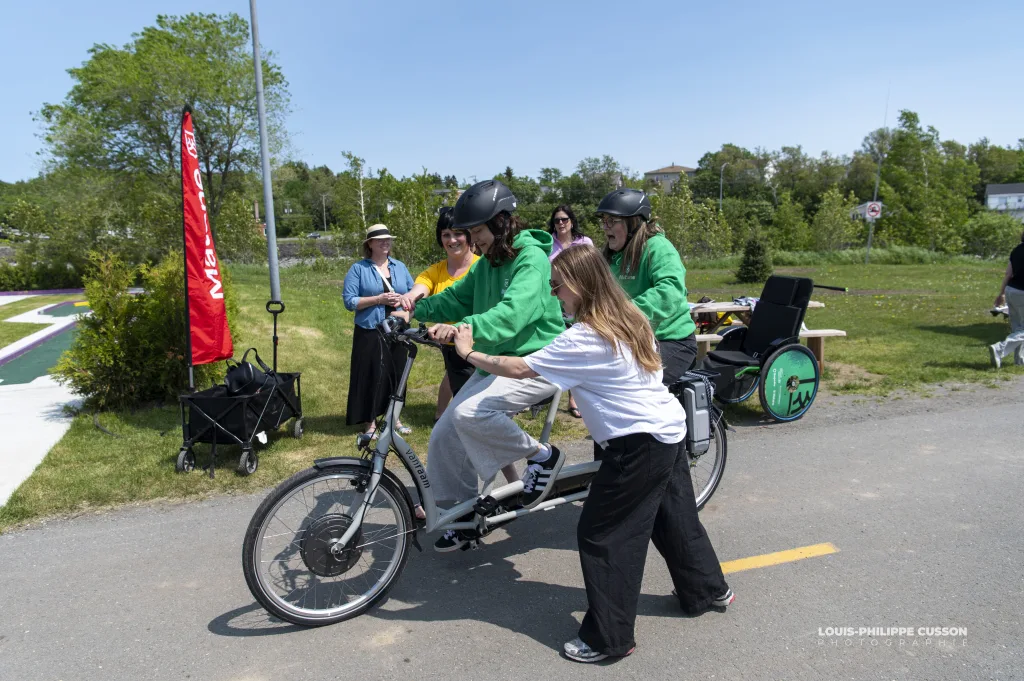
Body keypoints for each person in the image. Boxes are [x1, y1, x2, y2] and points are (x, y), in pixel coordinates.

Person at [451, 244, 733, 663]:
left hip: (639, 444)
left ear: (580, 285)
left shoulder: (586, 337)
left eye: (557, 286)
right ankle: (708, 591)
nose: (553, 295)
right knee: (674, 518)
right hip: (667, 430)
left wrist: (467, 351)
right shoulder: (629, 317)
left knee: (603, 535)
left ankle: (609, 639)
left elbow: (520, 368)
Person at [399, 179, 566, 552]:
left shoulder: (531, 258)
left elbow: (513, 315)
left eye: (477, 231)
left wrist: (464, 329)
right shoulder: (489, 261)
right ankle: (462, 515)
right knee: (444, 433)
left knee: (470, 413)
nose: (473, 241)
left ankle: (543, 456)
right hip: (497, 363)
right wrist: (412, 309)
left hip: (535, 362)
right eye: (469, 232)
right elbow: (458, 297)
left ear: (502, 222)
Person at [597, 188, 698, 384]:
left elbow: (670, 291)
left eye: (611, 221)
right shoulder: (612, 256)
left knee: (635, 383)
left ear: (633, 222)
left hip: (670, 340)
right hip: (632, 338)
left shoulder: (658, 248)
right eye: (603, 220)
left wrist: (624, 312)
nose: (605, 227)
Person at [404, 207, 480, 420]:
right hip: (451, 349)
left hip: (482, 344)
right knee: (462, 397)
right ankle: (443, 416)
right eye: (446, 235)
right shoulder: (435, 271)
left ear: (468, 236)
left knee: (477, 405)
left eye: (458, 233)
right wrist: (406, 305)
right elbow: (418, 291)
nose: (452, 240)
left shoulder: (482, 267)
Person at [343, 224, 415, 437]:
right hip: (370, 330)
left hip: (398, 328)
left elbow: (414, 294)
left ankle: (394, 417)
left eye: (388, 239)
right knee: (371, 374)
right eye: (380, 239)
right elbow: (349, 301)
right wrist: (379, 299)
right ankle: (370, 422)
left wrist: (404, 302)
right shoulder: (359, 269)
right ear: (370, 244)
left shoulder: (399, 267)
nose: (385, 242)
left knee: (397, 373)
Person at [547, 204, 592, 418]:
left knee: (578, 349)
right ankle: (548, 393)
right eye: (557, 220)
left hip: (579, 299)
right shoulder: (548, 244)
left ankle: (575, 398)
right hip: (555, 299)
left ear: (572, 221)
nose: (561, 223)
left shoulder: (584, 243)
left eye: (564, 219)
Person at [989, 230, 1024, 368]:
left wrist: (1002, 293)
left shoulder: (1016, 250)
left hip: (1012, 290)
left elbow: (1008, 273)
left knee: (1018, 328)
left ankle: (1020, 360)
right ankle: (999, 349)